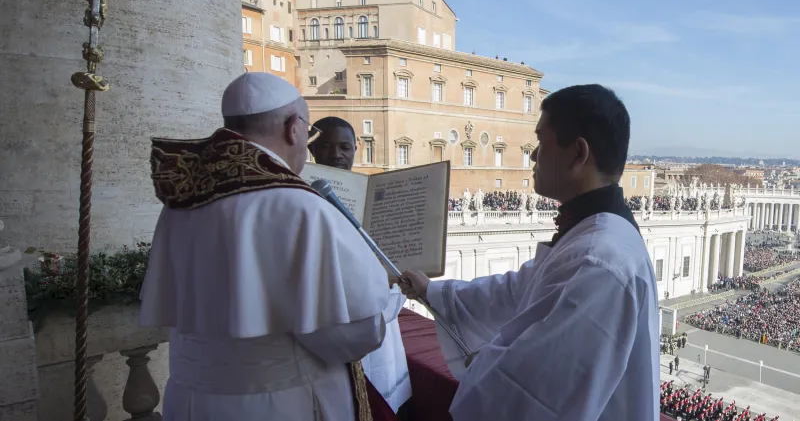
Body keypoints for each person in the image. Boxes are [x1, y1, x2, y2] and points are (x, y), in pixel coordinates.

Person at [140, 72, 397, 421]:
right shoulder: (300, 206)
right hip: (279, 403)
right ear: (294, 128)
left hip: (190, 400)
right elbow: (353, 334)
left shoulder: (181, 203)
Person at [399, 84, 659, 421]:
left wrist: (485, 364)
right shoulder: (592, 234)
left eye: (540, 140)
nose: (533, 155)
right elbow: (518, 290)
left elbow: (538, 393)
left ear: (578, 153)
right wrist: (431, 291)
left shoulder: (599, 259)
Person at [308, 116, 413, 419]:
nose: (335, 155)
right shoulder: (299, 200)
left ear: (356, 148)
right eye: (325, 146)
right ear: (312, 151)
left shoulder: (371, 198)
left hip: (380, 326)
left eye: (344, 147)